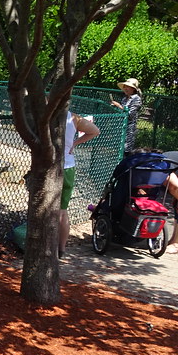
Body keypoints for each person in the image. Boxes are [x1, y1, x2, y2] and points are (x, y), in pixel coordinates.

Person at [59, 111, 100, 257]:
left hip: (51, 167)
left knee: (51, 211)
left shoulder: (44, 114)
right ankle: (61, 249)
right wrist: (74, 143)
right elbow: (95, 131)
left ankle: (52, 246)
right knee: (62, 211)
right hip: (68, 166)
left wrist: (75, 142)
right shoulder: (73, 117)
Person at [110, 78, 142, 153]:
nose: (125, 88)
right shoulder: (125, 98)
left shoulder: (136, 99)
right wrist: (115, 107)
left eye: (127, 86)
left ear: (133, 88)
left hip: (129, 129)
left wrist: (118, 106)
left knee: (126, 150)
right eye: (124, 86)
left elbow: (130, 114)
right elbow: (121, 112)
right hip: (121, 127)